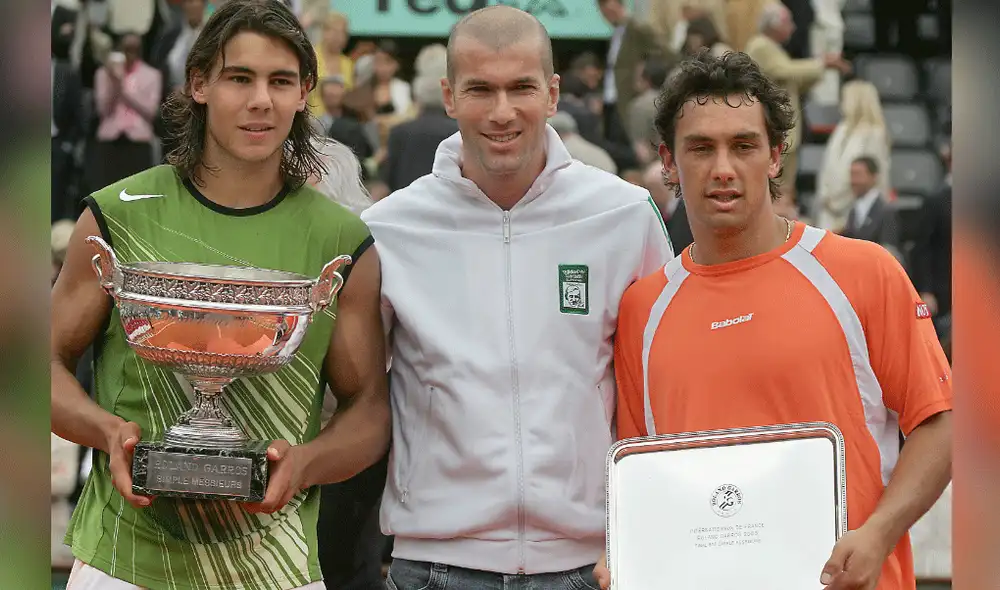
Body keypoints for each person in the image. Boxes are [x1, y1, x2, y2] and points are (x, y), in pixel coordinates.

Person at [50, 2, 391, 589]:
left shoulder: (342, 239)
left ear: (304, 93)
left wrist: (304, 465)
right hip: (122, 562)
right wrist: (106, 432)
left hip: (276, 566)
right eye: (239, 78)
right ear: (199, 84)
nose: (261, 100)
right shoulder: (116, 215)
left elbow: (369, 408)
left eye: (280, 81)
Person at [597, 50, 952, 590]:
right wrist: (627, 554)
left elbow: (941, 424)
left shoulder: (864, 272)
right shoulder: (642, 308)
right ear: (668, 160)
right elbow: (645, 477)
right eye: (701, 148)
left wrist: (880, 532)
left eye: (744, 146)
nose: (723, 168)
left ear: (775, 155)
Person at [359, 6, 674, 589]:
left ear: (552, 94)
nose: (502, 112)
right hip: (435, 562)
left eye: (521, 88)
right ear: (449, 96)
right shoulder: (390, 228)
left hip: (589, 563)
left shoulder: (623, 215)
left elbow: (662, 386)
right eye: (481, 89)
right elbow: (355, 397)